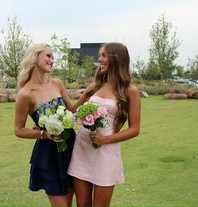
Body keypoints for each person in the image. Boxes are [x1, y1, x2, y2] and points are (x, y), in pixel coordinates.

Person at [68, 42, 141, 207]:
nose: (99, 59)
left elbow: (134, 129)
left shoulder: (130, 91)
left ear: (117, 59)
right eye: (100, 55)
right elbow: (73, 112)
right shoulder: (94, 86)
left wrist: (105, 140)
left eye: (103, 55)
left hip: (106, 152)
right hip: (82, 149)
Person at [14, 43, 76, 207]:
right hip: (50, 154)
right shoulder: (26, 94)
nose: (52, 60)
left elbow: (73, 111)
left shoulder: (57, 83)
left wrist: (91, 93)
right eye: (48, 56)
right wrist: (43, 134)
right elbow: (18, 130)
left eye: (52, 57)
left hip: (72, 148)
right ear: (34, 57)